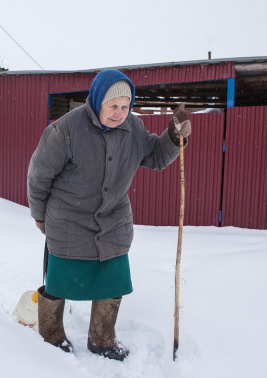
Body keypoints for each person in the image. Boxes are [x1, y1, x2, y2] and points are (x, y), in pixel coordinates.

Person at [27, 69, 191, 361]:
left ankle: (102, 339)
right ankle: (50, 335)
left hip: (113, 222)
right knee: (58, 283)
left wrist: (173, 136)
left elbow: (155, 156)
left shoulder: (134, 129)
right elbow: (39, 177)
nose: (119, 113)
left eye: (125, 106)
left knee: (112, 281)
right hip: (68, 221)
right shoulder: (65, 130)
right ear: (97, 100)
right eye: (112, 106)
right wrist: (40, 216)